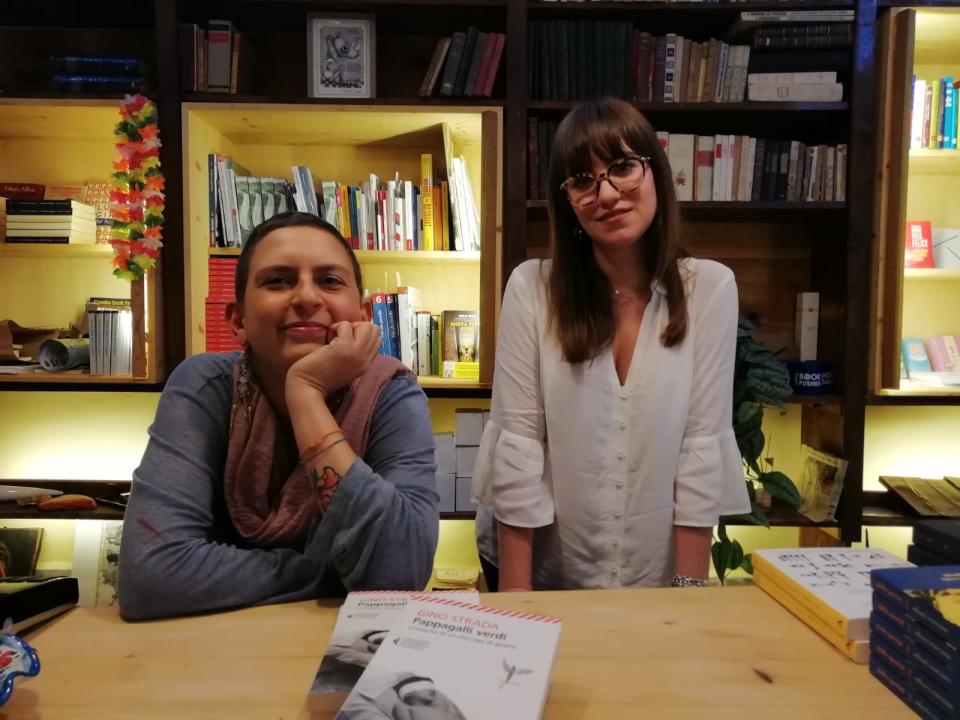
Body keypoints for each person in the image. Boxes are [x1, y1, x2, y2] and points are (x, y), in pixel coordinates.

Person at [472, 98, 751, 592]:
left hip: (658, 577)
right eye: (583, 180)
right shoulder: (532, 289)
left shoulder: (709, 289)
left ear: (654, 172)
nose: (607, 193)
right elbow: (519, 447)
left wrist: (688, 600)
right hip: (547, 571)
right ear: (568, 201)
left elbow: (700, 450)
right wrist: (517, 606)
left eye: (622, 167)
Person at [118, 212, 439, 620]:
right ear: (238, 321)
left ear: (361, 315)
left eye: (329, 280)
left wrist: (306, 394)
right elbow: (151, 577)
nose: (306, 298)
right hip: (211, 654)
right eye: (278, 281)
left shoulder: (391, 391)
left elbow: (402, 570)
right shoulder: (203, 387)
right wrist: (330, 576)